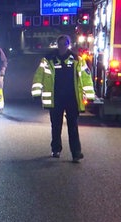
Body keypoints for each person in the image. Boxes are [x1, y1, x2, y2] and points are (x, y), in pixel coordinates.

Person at [32, 34, 95, 162]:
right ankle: (56, 149)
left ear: (68, 45)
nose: (62, 47)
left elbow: (86, 77)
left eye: (64, 44)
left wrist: (90, 95)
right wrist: (36, 92)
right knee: (56, 126)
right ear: (57, 45)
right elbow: (39, 75)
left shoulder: (77, 59)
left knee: (73, 126)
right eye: (60, 44)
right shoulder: (48, 59)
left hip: (72, 99)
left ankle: (76, 153)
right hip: (56, 99)